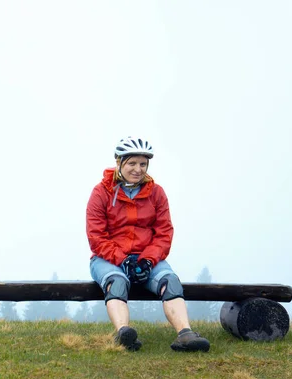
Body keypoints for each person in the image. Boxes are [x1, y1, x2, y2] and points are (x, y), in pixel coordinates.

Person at [86, 136, 210, 352]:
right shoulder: (101, 192)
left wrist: (147, 260)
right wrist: (123, 260)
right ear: (119, 162)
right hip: (109, 259)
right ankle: (123, 333)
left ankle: (185, 334)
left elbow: (164, 233)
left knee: (170, 281)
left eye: (143, 164)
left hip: (147, 257)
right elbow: (96, 236)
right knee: (116, 282)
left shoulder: (156, 193)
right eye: (132, 163)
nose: (138, 169)